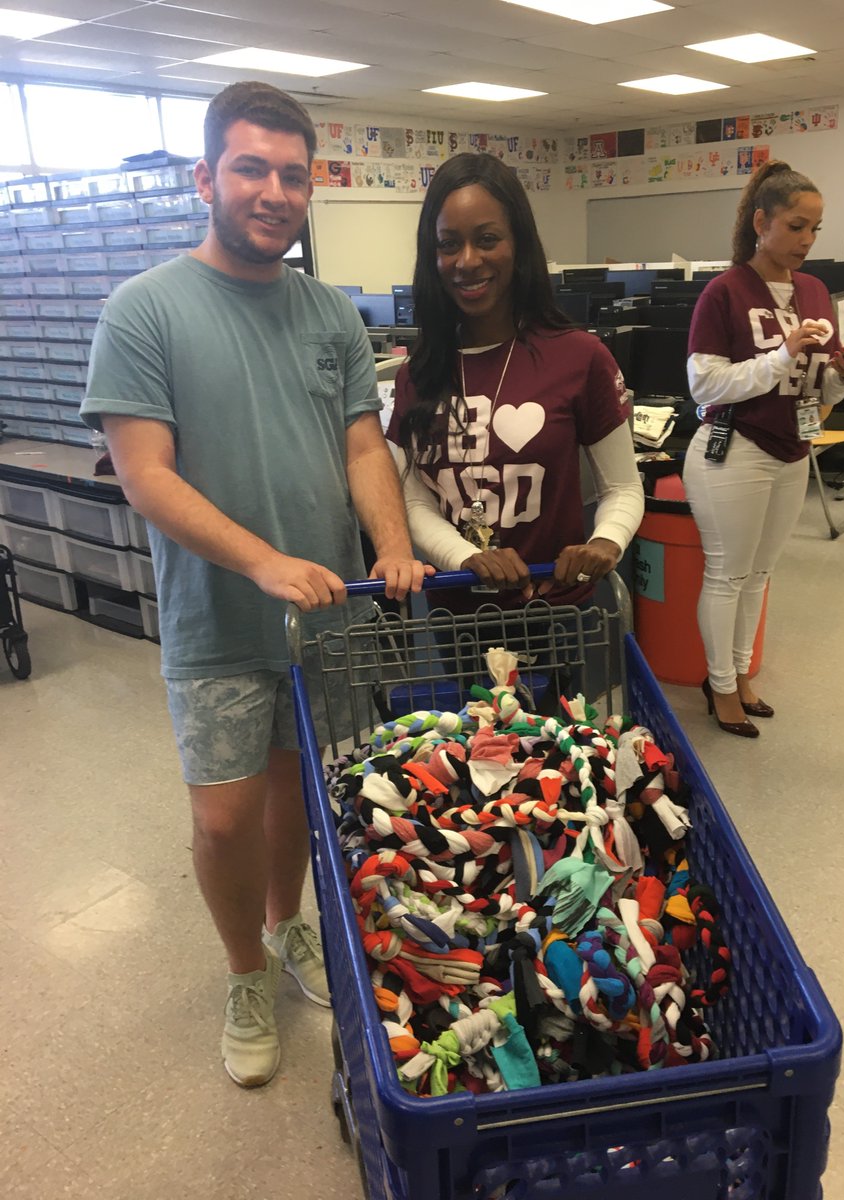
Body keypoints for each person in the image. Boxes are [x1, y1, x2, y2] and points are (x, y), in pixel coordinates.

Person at [80, 81, 427, 1088]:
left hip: (327, 625)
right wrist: (265, 561)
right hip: (219, 619)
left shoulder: (329, 315)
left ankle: (287, 930)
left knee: (297, 804)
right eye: (250, 168)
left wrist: (390, 543)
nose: (273, 191)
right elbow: (146, 473)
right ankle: (244, 975)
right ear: (206, 178)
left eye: (291, 173)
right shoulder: (143, 310)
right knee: (224, 817)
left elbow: (365, 447)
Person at [386, 152, 644, 656]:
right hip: (454, 614)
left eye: (487, 239)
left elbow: (622, 487)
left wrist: (605, 541)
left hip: (555, 610)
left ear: (518, 244)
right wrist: (466, 557)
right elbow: (413, 499)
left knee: (555, 734)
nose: (467, 261)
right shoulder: (419, 372)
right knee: (469, 736)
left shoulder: (580, 357)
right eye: (447, 244)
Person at [682, 160, 844, 737]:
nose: (807, 240)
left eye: (815, 229)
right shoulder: (724, 292)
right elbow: (705, 384)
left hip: (794, 449)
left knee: (760, 574)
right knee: (728, 574)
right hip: (735, 448)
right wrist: (782, 353)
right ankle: (719, 685)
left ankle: (741, 675)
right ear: (762, 222)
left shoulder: (816, 291)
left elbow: (818, 384)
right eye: (797, 226)